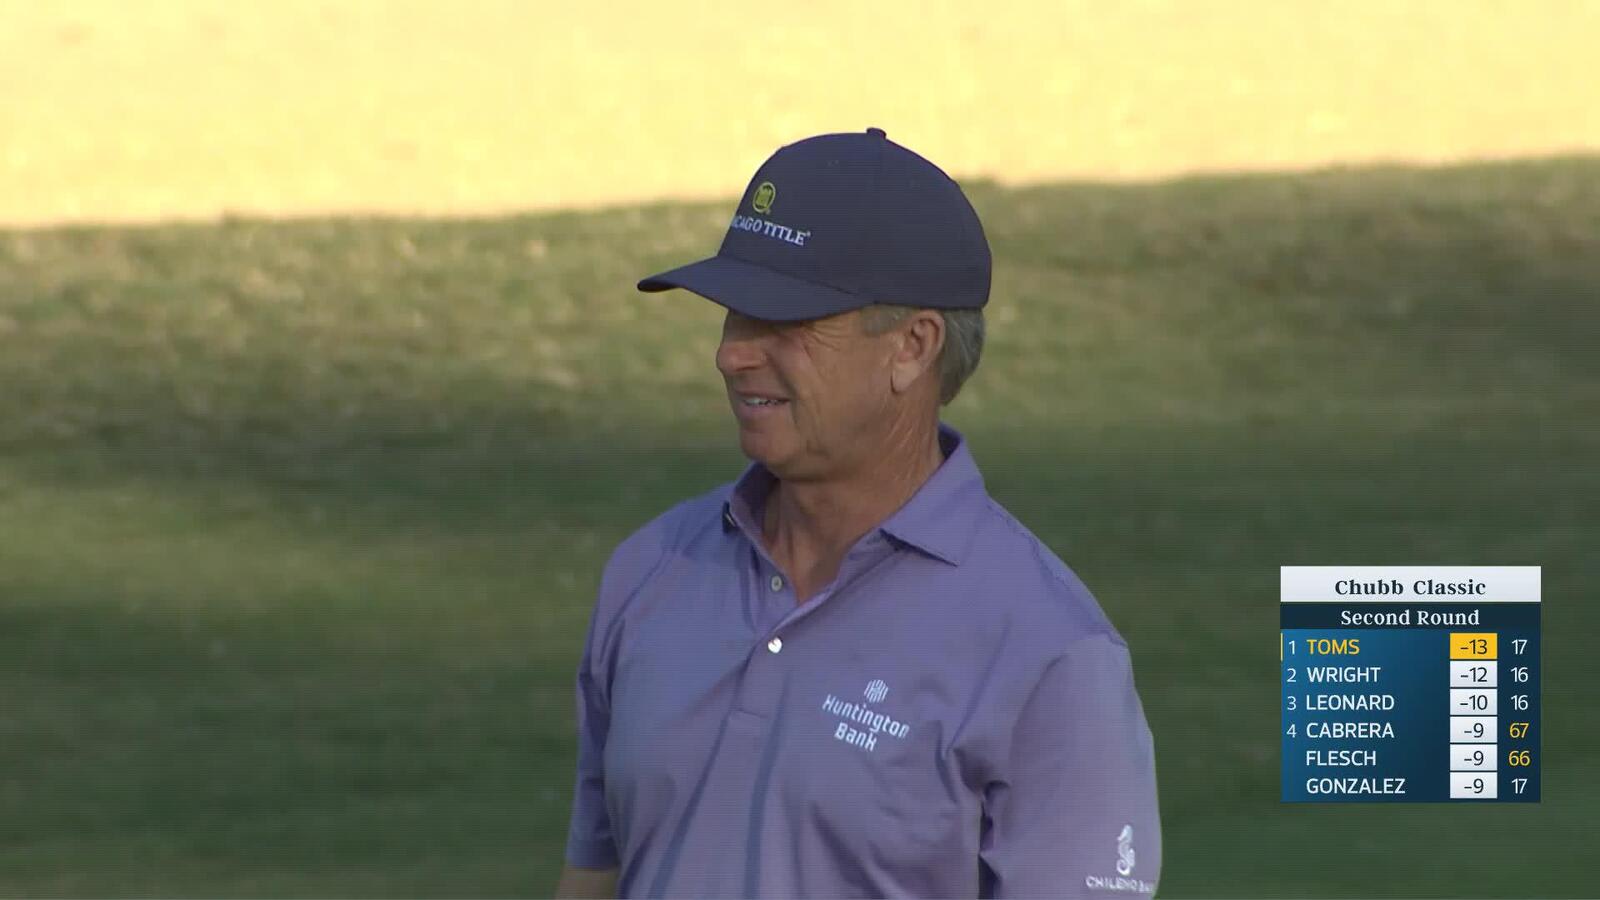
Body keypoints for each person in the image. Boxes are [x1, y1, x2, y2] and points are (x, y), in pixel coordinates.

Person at [555, 127, 1160, 899]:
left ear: (912, 347)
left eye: (784, 323)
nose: (732, 354)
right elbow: (595, 873)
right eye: (734, 316)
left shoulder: (1050, 654)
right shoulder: (651, 572)